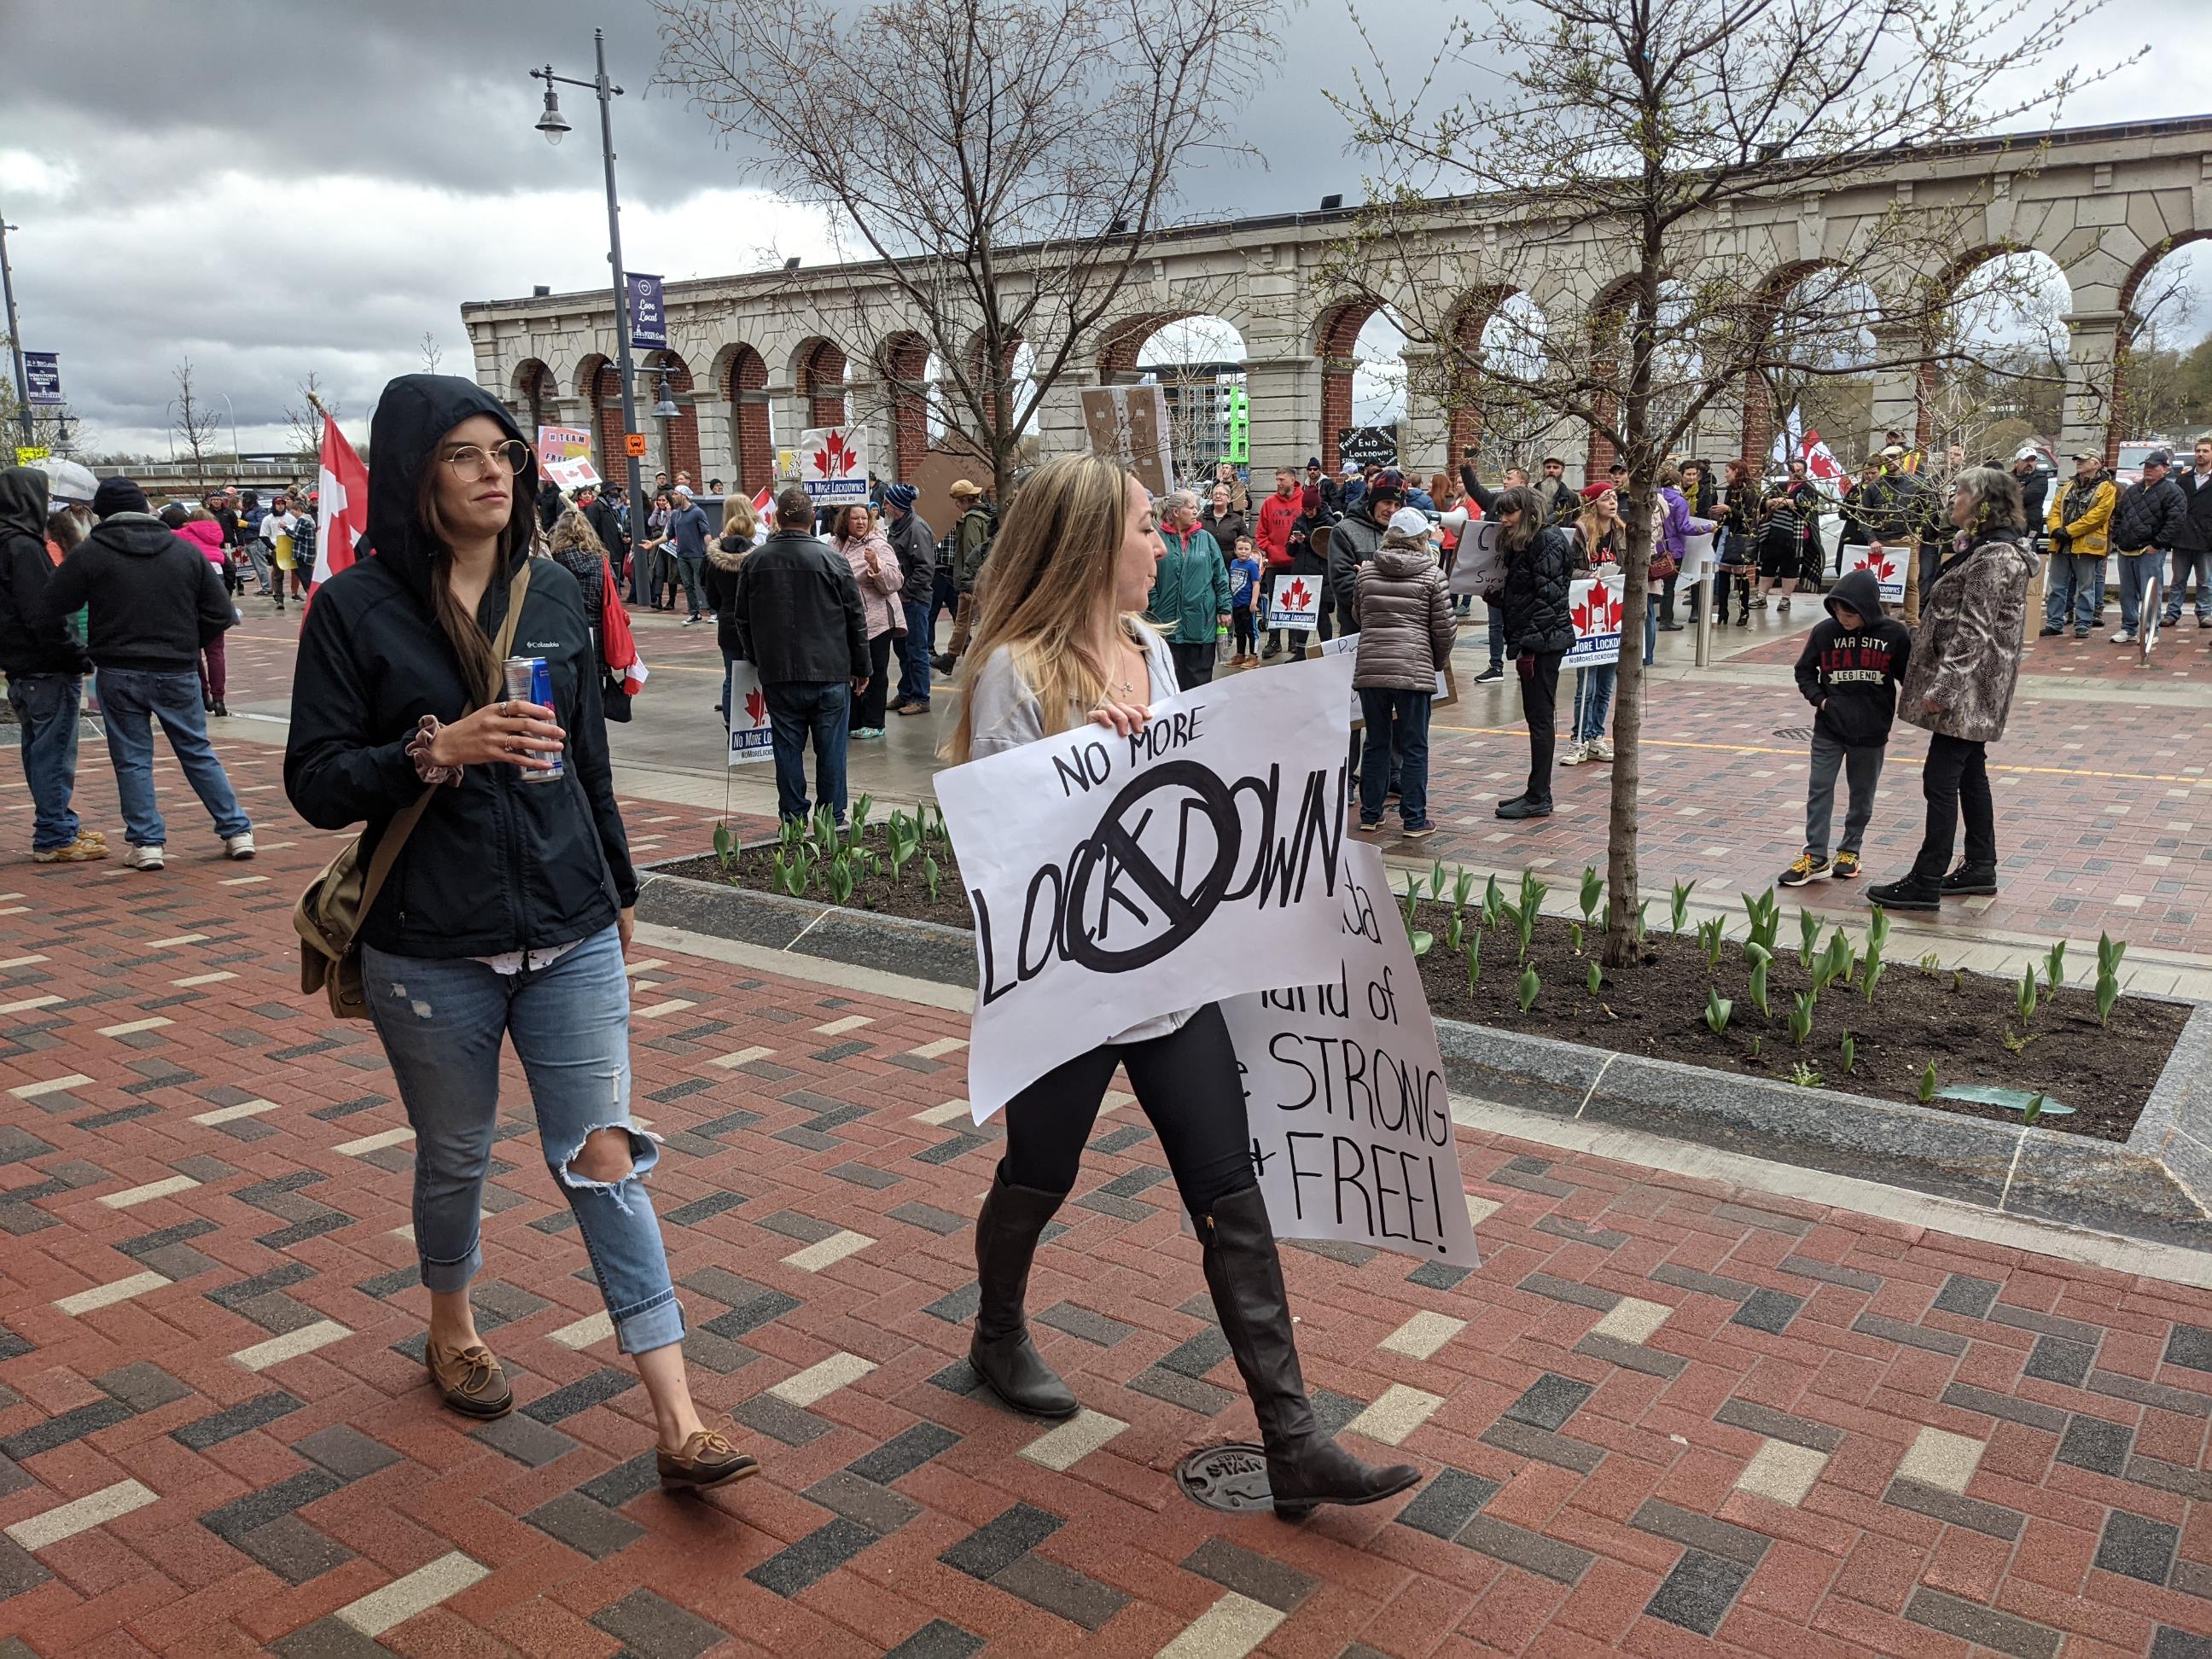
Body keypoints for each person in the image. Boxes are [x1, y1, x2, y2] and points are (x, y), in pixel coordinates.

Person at [282, 375, 750, 1490]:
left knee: (603, 1158)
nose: (495, 470)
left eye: (504, 451)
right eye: (464, 454)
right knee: (455, 1153)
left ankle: (678, 1417)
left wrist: (619, 889)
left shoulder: (560, 588)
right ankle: (450, 1324)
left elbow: (588, 760)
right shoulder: (355, 609)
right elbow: (314, 782)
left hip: (569, 926)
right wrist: (430, 751)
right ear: (415, 474)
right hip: (428, 941)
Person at [941, 452, 1422, 1520]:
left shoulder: (1152, 650)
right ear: (1089, 543)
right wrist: (1082, 760)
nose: (1164, 546)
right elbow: (1001, 847)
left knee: (1230, 1196)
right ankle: (996, 1333)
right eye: (1146, 529)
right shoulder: (1015, 671)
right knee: (1039, 1173)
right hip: (1071, 994)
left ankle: (1292, 1441)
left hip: (1168, 979)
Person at [39, 480, 251, 870]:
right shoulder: (184, 551)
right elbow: (220, 613)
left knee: (132, 758)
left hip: (118, 668)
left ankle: (147, 842)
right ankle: (237, 830)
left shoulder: (92, 553)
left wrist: (82, 646)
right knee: (196, 750)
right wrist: (189, 642)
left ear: (101, 513)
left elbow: (52, 603)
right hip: (177, 667)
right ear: (144, 508)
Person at [1868, 467, 2036, 911]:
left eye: (1959, 493)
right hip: (1973, 688)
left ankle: (1926, 879)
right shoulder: (1981, 549)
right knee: (1969, 773)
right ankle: (1980, 866)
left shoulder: (1994, 556)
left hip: (1969, 691)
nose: (1953, 499)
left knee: (1940, 779)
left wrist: (1942, 690)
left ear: (1982, 502)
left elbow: (1974, 629)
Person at [732, 486, 870, 824]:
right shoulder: (833, 560)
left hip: (780, 670)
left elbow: (743, 619)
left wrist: (757, 656)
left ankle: (793, 817)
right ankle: (831, 818)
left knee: (787, 748)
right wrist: (863, 666)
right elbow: (855, 617)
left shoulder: (756, 561)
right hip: (830, 669)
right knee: (831, 750)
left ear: (778, 519)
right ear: (812, 519)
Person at [1780, 568, 1912, 887]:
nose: (1843, 618)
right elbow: (1804, 671)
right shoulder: (1825, 632)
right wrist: (1822, 701)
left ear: (1867, 608)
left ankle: (1850, 850)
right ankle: (1815, 856)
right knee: (1819, 788)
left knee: (1862, 794)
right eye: (1838, 611)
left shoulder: (1894, 635)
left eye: (1850, 613)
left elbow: (1909, 677)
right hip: (1829, 728)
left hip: (1871, 731)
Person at [1, 467, 102, 862]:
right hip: (46, 665)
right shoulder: (23, 548)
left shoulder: (8, 543)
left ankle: (58, 823)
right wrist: (75, 654)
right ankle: (55, 834)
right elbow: (43, 613)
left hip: (21, 666)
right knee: (54, 753)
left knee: (39, 750)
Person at [1349, 508, 1453, 839]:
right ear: (1422, 539)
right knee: (1414, 746)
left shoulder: (1366, 574)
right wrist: (1435, 663)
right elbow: (1444, 629)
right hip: (1413, 669)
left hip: (1372, 669)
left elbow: (1358, 616)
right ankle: (1414, 819)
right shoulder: (1432, 575)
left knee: (1376, 742)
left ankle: (1370, 813)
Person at [1491, 486, 1574, 820]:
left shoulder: (1545, 541)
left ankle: (1539, 795)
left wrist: (1529, 646)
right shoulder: (1532, 541)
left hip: (1542, 644)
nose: (1503, 519)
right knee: (1537, 717)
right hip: (1538, 640)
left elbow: (1549, 599)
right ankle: (1536, 791)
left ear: (1528, 512)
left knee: (1540, 719)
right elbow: (1530, 593)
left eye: (1509, 512)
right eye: (1501, 512)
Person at [1563, 486, 1624, 765]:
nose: (1612, 503)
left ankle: (1597, 736)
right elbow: (1566, 570)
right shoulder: (1580, 532)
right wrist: (1589, 575)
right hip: (1587, 615)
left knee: (1605, 684)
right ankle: (1578, 739)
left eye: (1614, 498)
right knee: (1586, 684)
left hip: (1613, 615)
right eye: (1606, 498)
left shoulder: (1621, 532)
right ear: (1593, 504)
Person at [830, 503, 902, 736]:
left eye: (864, 518)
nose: (861, 522)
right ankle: (853, 720)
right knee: (850, 671)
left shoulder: (878, 545)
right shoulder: (833, 545)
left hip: (877, 620)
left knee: (875, 671)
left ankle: (874, 723)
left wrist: (876, 565)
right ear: (845, 521)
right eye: (855, 518)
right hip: (845, 621)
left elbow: (895, 581)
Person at [1149, 490, 1231, 689]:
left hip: (1201, 623)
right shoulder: (1158, 539)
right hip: (1166, 623)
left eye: (1197, 507)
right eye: (1191, 507)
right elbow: (1147, 575)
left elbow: (1220, 575)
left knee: (1199, 685)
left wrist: (1225, 607)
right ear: (1176, 512)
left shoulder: (1206, 539)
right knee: (1170, 683)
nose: (1196, 511)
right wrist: (1155, 604)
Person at [2107, 447, 2184, 644]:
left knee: (2149, 592)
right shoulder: (2133, 490)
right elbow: (2119, 515)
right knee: (2127, 593)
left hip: (2150, 551)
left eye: (2154, 467)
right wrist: (2117, 537)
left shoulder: (2173, 492)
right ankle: (2129, 628)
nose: (2148, 470)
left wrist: (2157, 544)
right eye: (2146, 466)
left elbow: (2175, 521)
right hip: (2126, 549)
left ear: (2165, 469)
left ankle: (2150, 630)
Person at [2040, 451, 2116, 639]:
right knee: (2056, 586)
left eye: (2084, 460)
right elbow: (2054, 510)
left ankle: (2083, 623)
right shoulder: (2068, 486)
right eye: (2077, 460)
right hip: (2061, 544)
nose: (2078, 463)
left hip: (2086, 546)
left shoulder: (2107, 488)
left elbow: (2099, 516)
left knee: (2086, 587)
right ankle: (2054, 622)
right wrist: (2055, 529)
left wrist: (2069, 531)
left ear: (2097, 464)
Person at [1325, 468, 1404, 637]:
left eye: (1397, 505)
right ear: (1373, 500)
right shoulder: (1344, 531)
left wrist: (1368, 580)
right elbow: (1343, 587)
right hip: (1358, 631)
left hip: (1399, 630)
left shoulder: (1403, 533)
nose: (1392, 510)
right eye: (1386, 502)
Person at [881, 484, 937, 718]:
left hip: (914, 601)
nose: (884, 507)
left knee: (916, 650)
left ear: (897, 506)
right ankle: (906, 693)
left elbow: (925, 569)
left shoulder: (916, 529)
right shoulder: (898, 527)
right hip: (900, 601)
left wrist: (905, 592)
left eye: (887, 503)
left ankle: (921, 697)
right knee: (902, 649)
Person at [704, 494, 758, 725]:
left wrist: (723, 609)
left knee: (730, 676)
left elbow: (711, 596)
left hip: (727, 620)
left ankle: (731, 721)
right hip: (754, 623)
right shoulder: (757, 558)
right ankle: (755, 722)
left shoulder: (714, 560)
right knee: (756, 673)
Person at [176, 509, 233, 716]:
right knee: (216, 652)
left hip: (192, 596)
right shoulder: (216, 538)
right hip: (216, 596)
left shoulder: (183, 536)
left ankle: (203, 695)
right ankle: (219, 699)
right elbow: (230, 571)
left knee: (195, 650)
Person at [933, 479, 992, 673]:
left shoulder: (972, 520)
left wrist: (968, 582)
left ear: (965, 500)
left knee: (968, 619)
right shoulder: (986, 515)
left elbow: (972, 551)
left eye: (958, 502)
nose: (957, 506)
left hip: (973, 580)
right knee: (967, 619)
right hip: (982, 578)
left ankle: (955, 658)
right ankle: (950, 658)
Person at [1254, 468, 1301, 658]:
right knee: (1275, 603)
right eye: (1277, 480)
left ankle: (1295, 639)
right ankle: (1274, 640)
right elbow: (1260, 534)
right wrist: (1271, 550)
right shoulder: (1269, 502)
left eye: (1282, 479)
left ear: (1293, 480)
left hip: (1297, 562)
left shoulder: (1303, 500)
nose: (1279, 483)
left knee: (1296, 603)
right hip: (1275, 562)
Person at [2167, 435, 2212, 629]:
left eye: (2205, 451)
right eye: (2198, 451)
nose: (2200, 454)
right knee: (2178, 580)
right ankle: (2172, 613)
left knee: (2205, 581)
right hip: (2182, 537)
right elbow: (2174, 507)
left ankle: (2204, 613)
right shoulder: (2183, 479)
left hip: (2206, 538)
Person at [1713, 458, 1761, 626]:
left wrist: (1729, 509)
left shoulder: (1750, 491)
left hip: (1741, 535)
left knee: (1740, 572)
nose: (1725, 475)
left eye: (1728, 471)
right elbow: (1730, 513)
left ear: (1737, 471)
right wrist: (1721, 514)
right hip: (1727, 532)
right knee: (1723, 570)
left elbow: (1748, 517)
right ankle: (1723, 610)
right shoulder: (1730, 489)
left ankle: (1744, 611)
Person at [666, 486, 713, 624]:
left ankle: (714, 611)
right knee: (687, 585)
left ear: (684, 496)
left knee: (704, 583)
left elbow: (706, 533)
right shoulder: (675, 514)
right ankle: (694, 613)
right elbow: (669, 535)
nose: (673, 496)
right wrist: (653, 543)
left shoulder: (697, 512)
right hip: (682, 554)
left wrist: (712, 550)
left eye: (676, 494)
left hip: (697, 554)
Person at [580, 483, 630, 596]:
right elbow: (591, 530)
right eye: (612, 492)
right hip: (604, 551)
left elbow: (617, 526)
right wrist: (597, 548)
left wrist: (623, 537)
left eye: (616, 492)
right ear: (605, 494)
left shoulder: (613, 509)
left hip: (616, 551)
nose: (615, 495)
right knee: (608, 584)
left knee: (615, 582)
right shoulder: (596, 508)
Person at [1226, 533, 1262, 667]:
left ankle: (1253, 656)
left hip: (1247, 604)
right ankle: (1240, 655)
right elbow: (1231, 581)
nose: (1243, 551)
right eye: (1240, 549)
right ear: (1235, 550)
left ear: (1251, 551)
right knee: (1239, 631)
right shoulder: (1233, 563)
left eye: (1246, 549)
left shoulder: (1252, 566)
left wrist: (1254, 602)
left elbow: (1256, 584)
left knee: (1251, 631)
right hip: (1236, 603)